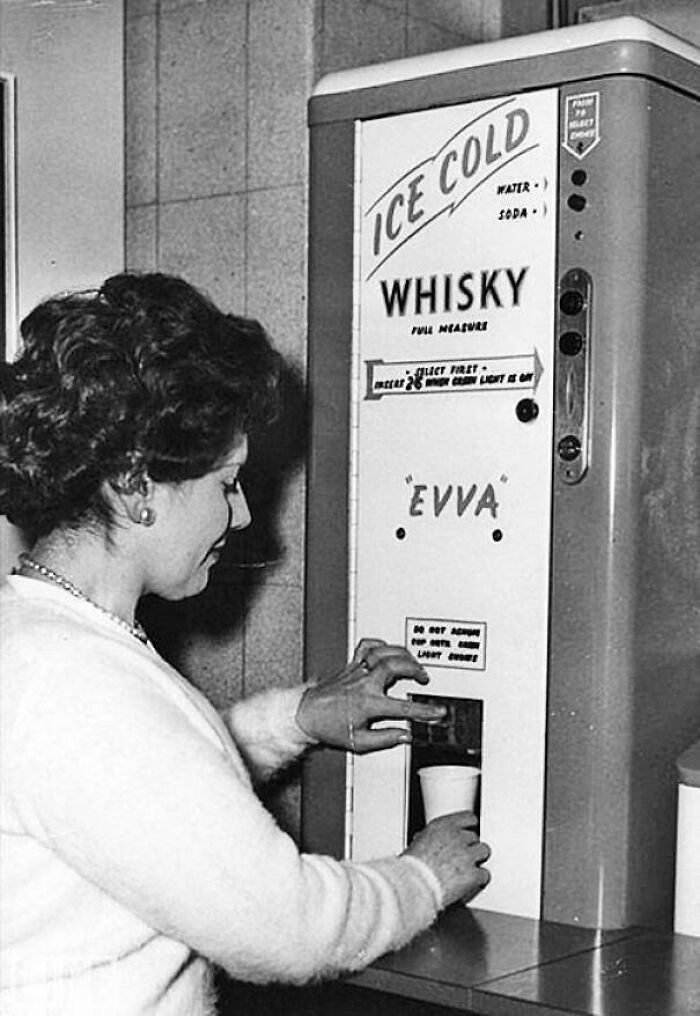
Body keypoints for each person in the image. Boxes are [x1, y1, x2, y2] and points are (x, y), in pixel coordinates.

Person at [0, 273, 490, 1015]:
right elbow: (284, 928)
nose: (240, 515)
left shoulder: (42, 638)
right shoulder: (74, 682)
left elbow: (142, 801)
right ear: (137, 486)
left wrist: (298, 719)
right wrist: (422, 879)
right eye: (226, 482)